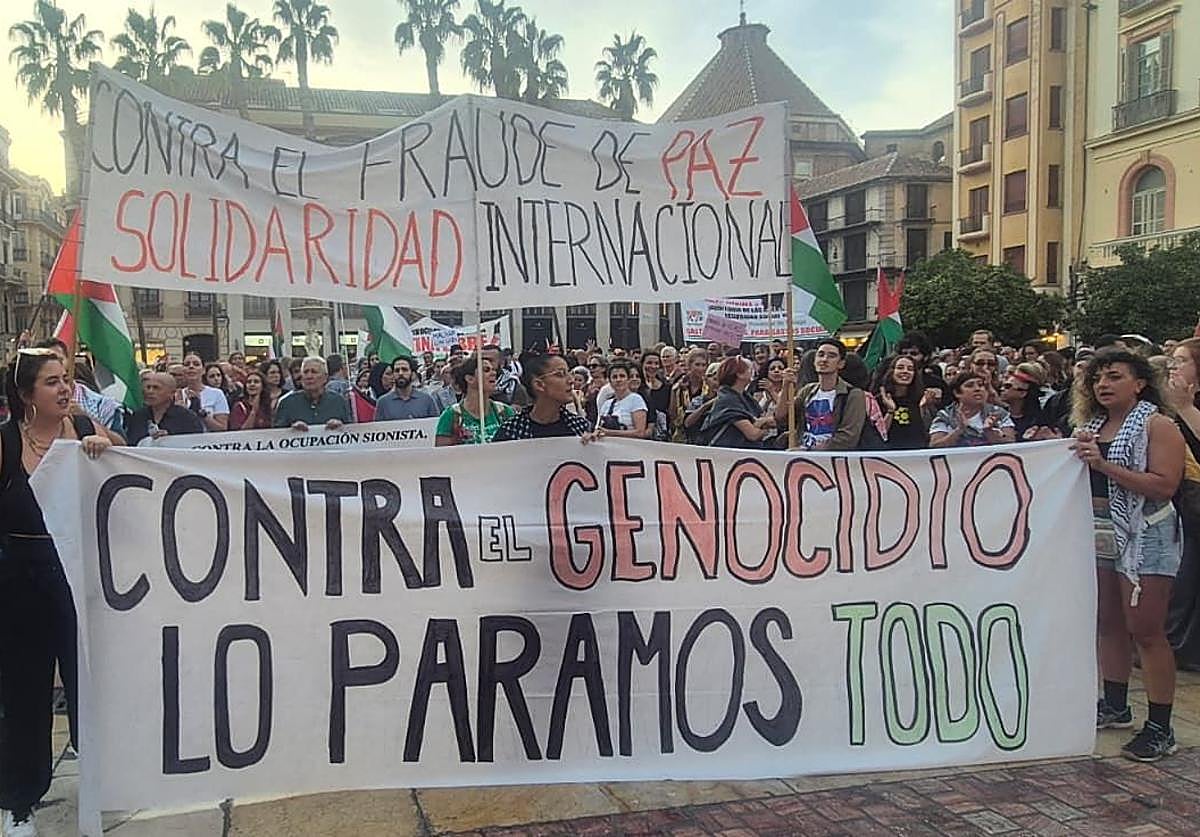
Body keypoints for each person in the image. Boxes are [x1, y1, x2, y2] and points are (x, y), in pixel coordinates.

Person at [1, 349, 115, 837]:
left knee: (89, 682)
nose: (65, 389)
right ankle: (20, 801)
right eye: (51, 382)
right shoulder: (6, 442)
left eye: (66, 379)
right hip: (20, 582)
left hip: (78, 578)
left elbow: (129, 469)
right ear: (28, 395)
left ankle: (101, 781)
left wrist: (106, 446)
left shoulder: (86, 426)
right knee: (25, 693)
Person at [1072, 350, 1185, 761]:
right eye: (1097, 378)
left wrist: (1103, 465)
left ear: (1139, 383)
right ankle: (1116, 703)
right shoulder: (1089, 427)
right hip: (1101, 531)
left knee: (1146, 628)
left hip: (1146, 534)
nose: (1103, 384)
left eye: (1114, 376)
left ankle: (1160, 725)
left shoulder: (1158, 426)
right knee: (1109, 620)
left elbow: (1163, 485)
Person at [1166, 339, 1200, 671]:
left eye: (1181, 361)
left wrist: (1187, 409)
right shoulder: (1167, 405)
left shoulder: (1188, 406)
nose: (1173, 368)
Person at [776, 339, 866, 451]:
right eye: (821, 354)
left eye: (831, 356)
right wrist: (785, 387)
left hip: (831, 461)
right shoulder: (807, 390)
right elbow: (781, 418)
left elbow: (848, 439)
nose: (824, 359)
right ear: (814, 361)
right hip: (803, 458)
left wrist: (808, 450)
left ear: (841, 364)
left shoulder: (853, 395)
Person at [34, 339, 125, 440]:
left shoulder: (101, 405)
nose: (53, 365)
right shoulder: (29, 408)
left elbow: (122, 446)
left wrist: (85, 420)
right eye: (46, 361)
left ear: (69, 360)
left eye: (58, 360)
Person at [495, 353, 593, 440]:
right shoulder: (511, 432)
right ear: (539, 384)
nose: (571, 380)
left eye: (569, 373)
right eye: (560, 374)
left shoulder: (581, 427)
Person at [435, 356, 516, 446]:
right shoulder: (451, 415)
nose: (493, 373)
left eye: (494, 370)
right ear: (470, 379)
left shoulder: (505, 412)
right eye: (486, 370)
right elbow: (442, 455)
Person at [699, 356, 775, 448]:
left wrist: (762, 422)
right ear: (739, 374)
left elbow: (767, 421)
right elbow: (752, 434)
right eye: (749, 369)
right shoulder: (728, 400)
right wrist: (764, 429)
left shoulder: (746, 397)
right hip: (727, 454)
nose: (752, 372)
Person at [929, 373, 1015, 447]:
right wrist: (959, 430)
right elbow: (935, 445)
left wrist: (989, 432)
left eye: (981, 385)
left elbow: (1011, 443)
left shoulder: (999, 413)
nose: (977, 389)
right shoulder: (945, 416)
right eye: (970, 385)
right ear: (957, 393)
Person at [874, 354, 938, 450]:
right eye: (900, 368)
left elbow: (929, 432)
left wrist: (924, 408)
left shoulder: (921, 398)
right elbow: (878, 435)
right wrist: (890, 411)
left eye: (910, 369)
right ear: (892, 372)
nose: (905, 371)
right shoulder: (880, 399)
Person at [273, 356, 350, 431]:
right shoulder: (287, 403)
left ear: (325, 377)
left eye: (314, 372)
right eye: (305, 372)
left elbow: (352, 431)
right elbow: (276, 436)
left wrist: (341, 428)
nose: (309, 376)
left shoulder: (338, 401)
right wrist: (291, 431)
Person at [126, 372, 206, 444]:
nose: (150, 391)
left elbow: (196, 444)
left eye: (156, 388)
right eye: (148, 387)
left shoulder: (187, 418)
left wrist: (170, 438)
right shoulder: (138, 416)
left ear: (171, 393)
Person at [595, 360, 650, 439]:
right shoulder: (606, 404)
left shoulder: (636, 399)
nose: (618, 380)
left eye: (622, 376)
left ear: (628, 379)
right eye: (614, 377)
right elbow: (599, 428)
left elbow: (640, 432)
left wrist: (609, 433)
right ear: (610, 381)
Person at [375, 356, 441, 420]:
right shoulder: (383, 403)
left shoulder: (427, 400)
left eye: (405, 370)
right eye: (397, 370)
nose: (400, 373)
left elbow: (435, 425)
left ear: (412, 374)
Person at [181, 352, 230, 431]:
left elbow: (222, 428)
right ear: (183, 370)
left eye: (196, 364)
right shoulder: (177, 395)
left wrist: (201, 413)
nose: (191, 366)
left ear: (203, 370)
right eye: (187, 364)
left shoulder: (217, 394)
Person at [1000, 363, 1048, 441]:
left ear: (1023, 393)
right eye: (1002, 385)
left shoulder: (1038, 422)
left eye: (1007, 386)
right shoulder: (999, 415)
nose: (1002, 389)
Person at [671, 348, 709, 443]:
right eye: (697, 365)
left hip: (703, 433)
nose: (701, 368)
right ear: (689, 365)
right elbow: (672, 414)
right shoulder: (679, 385)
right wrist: (674, 392)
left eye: (704, 365)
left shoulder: (709, 386)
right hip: (682, 435)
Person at [639, 350, 671, 441]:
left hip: (661, 435)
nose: (653, 366)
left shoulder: (666, 386)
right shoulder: (637, 387)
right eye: (649, 363)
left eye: (656, 363)